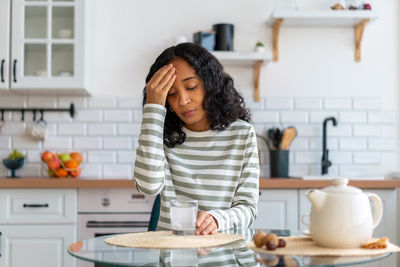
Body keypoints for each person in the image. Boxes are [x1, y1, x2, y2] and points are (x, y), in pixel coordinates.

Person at [133, 42, 259, 235]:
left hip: (223, 256)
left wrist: (217, 219)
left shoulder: (242, 135)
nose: (183, 100)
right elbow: (148, 187)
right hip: (172, 254)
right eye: (172, 94)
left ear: (210, 84)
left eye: (191, 86)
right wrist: (153, 107)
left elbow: (248, 209)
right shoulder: (163, 135)